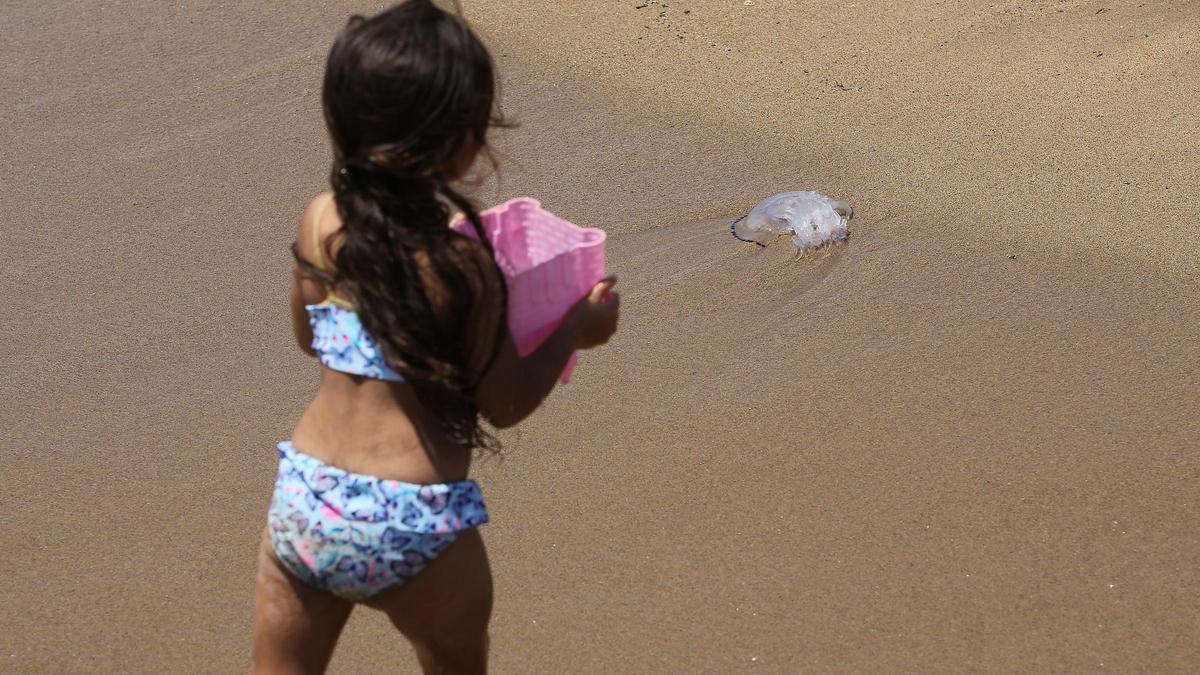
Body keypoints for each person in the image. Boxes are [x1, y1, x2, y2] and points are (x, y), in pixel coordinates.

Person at [251, 3, 620, 672]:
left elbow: (312, 337)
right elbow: (503, 403)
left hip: (309, 499)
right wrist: (574, 328)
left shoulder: (321, 222)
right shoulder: (465, 268)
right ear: (459, 148)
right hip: (412, 517)